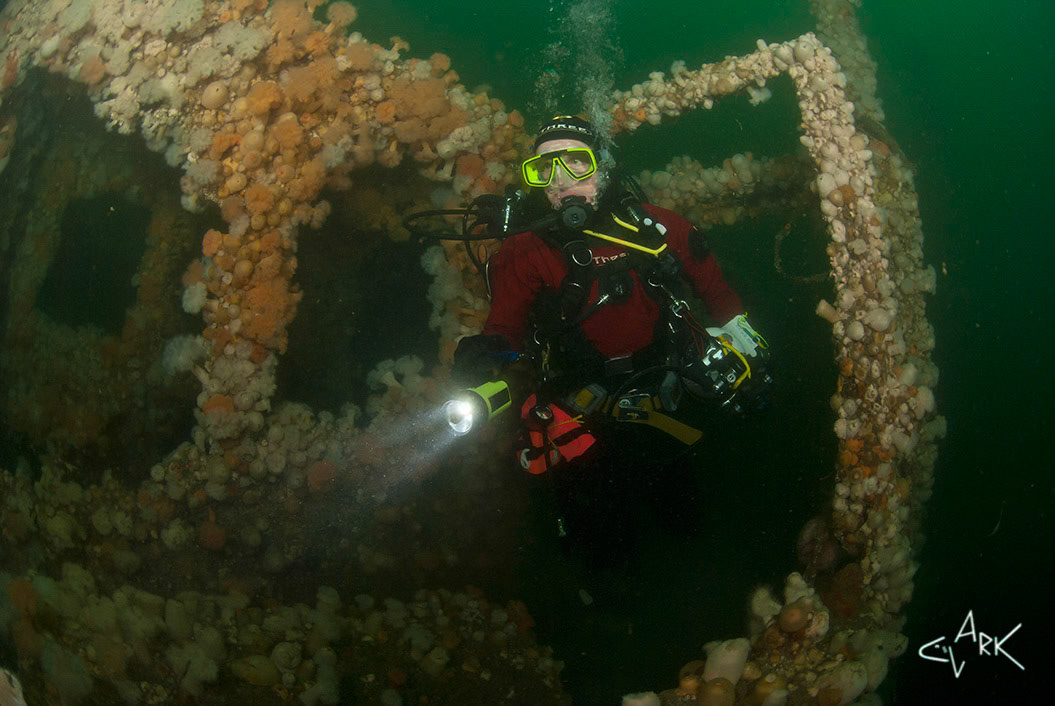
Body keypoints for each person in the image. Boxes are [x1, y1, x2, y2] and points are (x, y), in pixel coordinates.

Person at [453, 115, 770, 569]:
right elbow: (505, 327)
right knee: (602, 544)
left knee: (684, 518)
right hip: (580, 411)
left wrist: (750, 350)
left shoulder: (660, 230)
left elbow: (719, 298)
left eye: (576, 163)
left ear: (604, 167)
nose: (560, 182)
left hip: (665, 398)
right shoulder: (524, 250)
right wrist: (489, 354)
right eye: (544, 169)